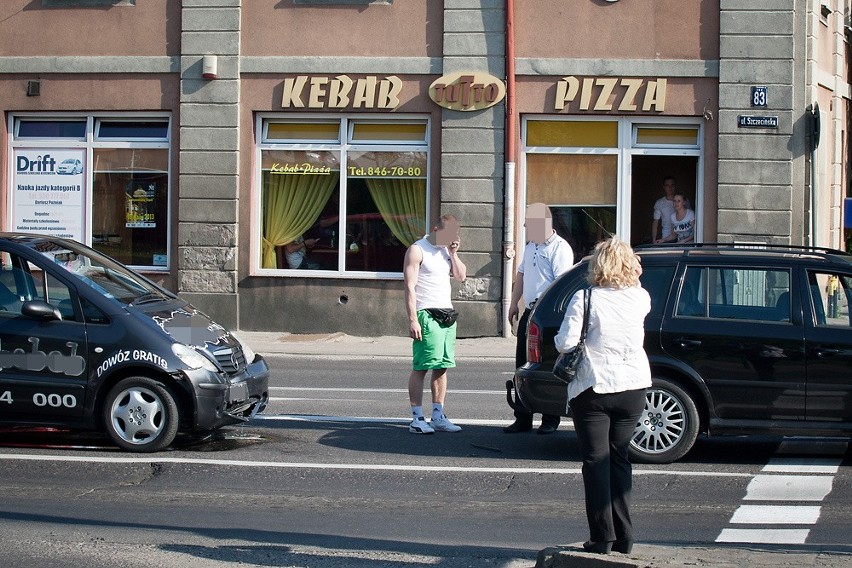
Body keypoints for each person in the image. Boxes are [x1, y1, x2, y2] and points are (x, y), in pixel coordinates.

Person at [554, 238, 651, 555]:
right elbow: (637, 278)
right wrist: (635, 271)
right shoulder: (641, 298)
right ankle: (625, 536)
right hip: (634, 386)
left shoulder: (585, 298)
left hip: (595, 387)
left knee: (596, 463)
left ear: (598, 264)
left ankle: (602, 537)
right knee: (619, 459)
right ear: (628, 265)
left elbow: (566, 344)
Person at [505, 203, 574, 435]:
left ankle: (550, 418)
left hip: (547, 315)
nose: (525, 226)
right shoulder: (531, 246)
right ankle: (522, 417)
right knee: (522, 365)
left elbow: (561, 285)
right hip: (530, 312)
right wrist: (514, 303)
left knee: (546, 366)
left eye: (528, 222)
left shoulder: (559, 248)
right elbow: (522, 274)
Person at [403, 213, 467, 434]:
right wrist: (413, 319)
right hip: (426, 313)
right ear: (436, 229)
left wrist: (453, 253)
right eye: (449, 234)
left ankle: (438, 415)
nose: (453, 238)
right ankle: (417, 418)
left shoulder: (445, 252)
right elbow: (409, 287)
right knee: (422, 366)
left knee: (442, 366)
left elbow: (461, 276)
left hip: (446, 313)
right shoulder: (417, 250)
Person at [650, 176, 677, 244]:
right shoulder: (659, 203)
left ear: (675, 186)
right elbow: (656, 222)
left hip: (682, 237)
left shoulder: (683, 201)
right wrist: (654, 240)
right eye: (667, 185)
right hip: (666, 237)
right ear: (664, 187)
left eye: (672, 185)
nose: (670, 187)